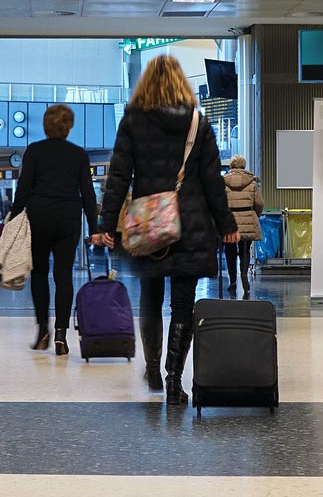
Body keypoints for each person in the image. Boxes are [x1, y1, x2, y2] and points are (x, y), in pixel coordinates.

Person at [94, 55, 238, 405]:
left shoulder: (132, 121)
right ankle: (176, 380)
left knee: (150, 298)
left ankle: (154, 368)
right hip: (190, 224)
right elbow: (211, 182)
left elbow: (119, 177)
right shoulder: (197, 123)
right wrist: (227, 224)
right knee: (184, 305)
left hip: (149, 226)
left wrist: (107, 224)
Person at [9, 105, 99, 356]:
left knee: (39, 274)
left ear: (46, 125)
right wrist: (94, 228)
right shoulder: (79, 155)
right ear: (68, 126)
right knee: (64, 276)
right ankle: (61, 337)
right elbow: (88, 194)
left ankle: (42, 333)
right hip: (68, 219)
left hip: (39, 218)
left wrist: (13, 219)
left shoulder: (34, 151)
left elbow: (23, 190)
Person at [223, 155, 264, 297]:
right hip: (247, 219)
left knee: (229, 251)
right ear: (244, 166)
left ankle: (232, 280)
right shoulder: (251, 182)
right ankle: (244, 278)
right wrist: (254, 215)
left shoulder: (223, 182)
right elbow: (259, 203)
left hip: (229, 222)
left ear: (231, 166)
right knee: (245, 250)